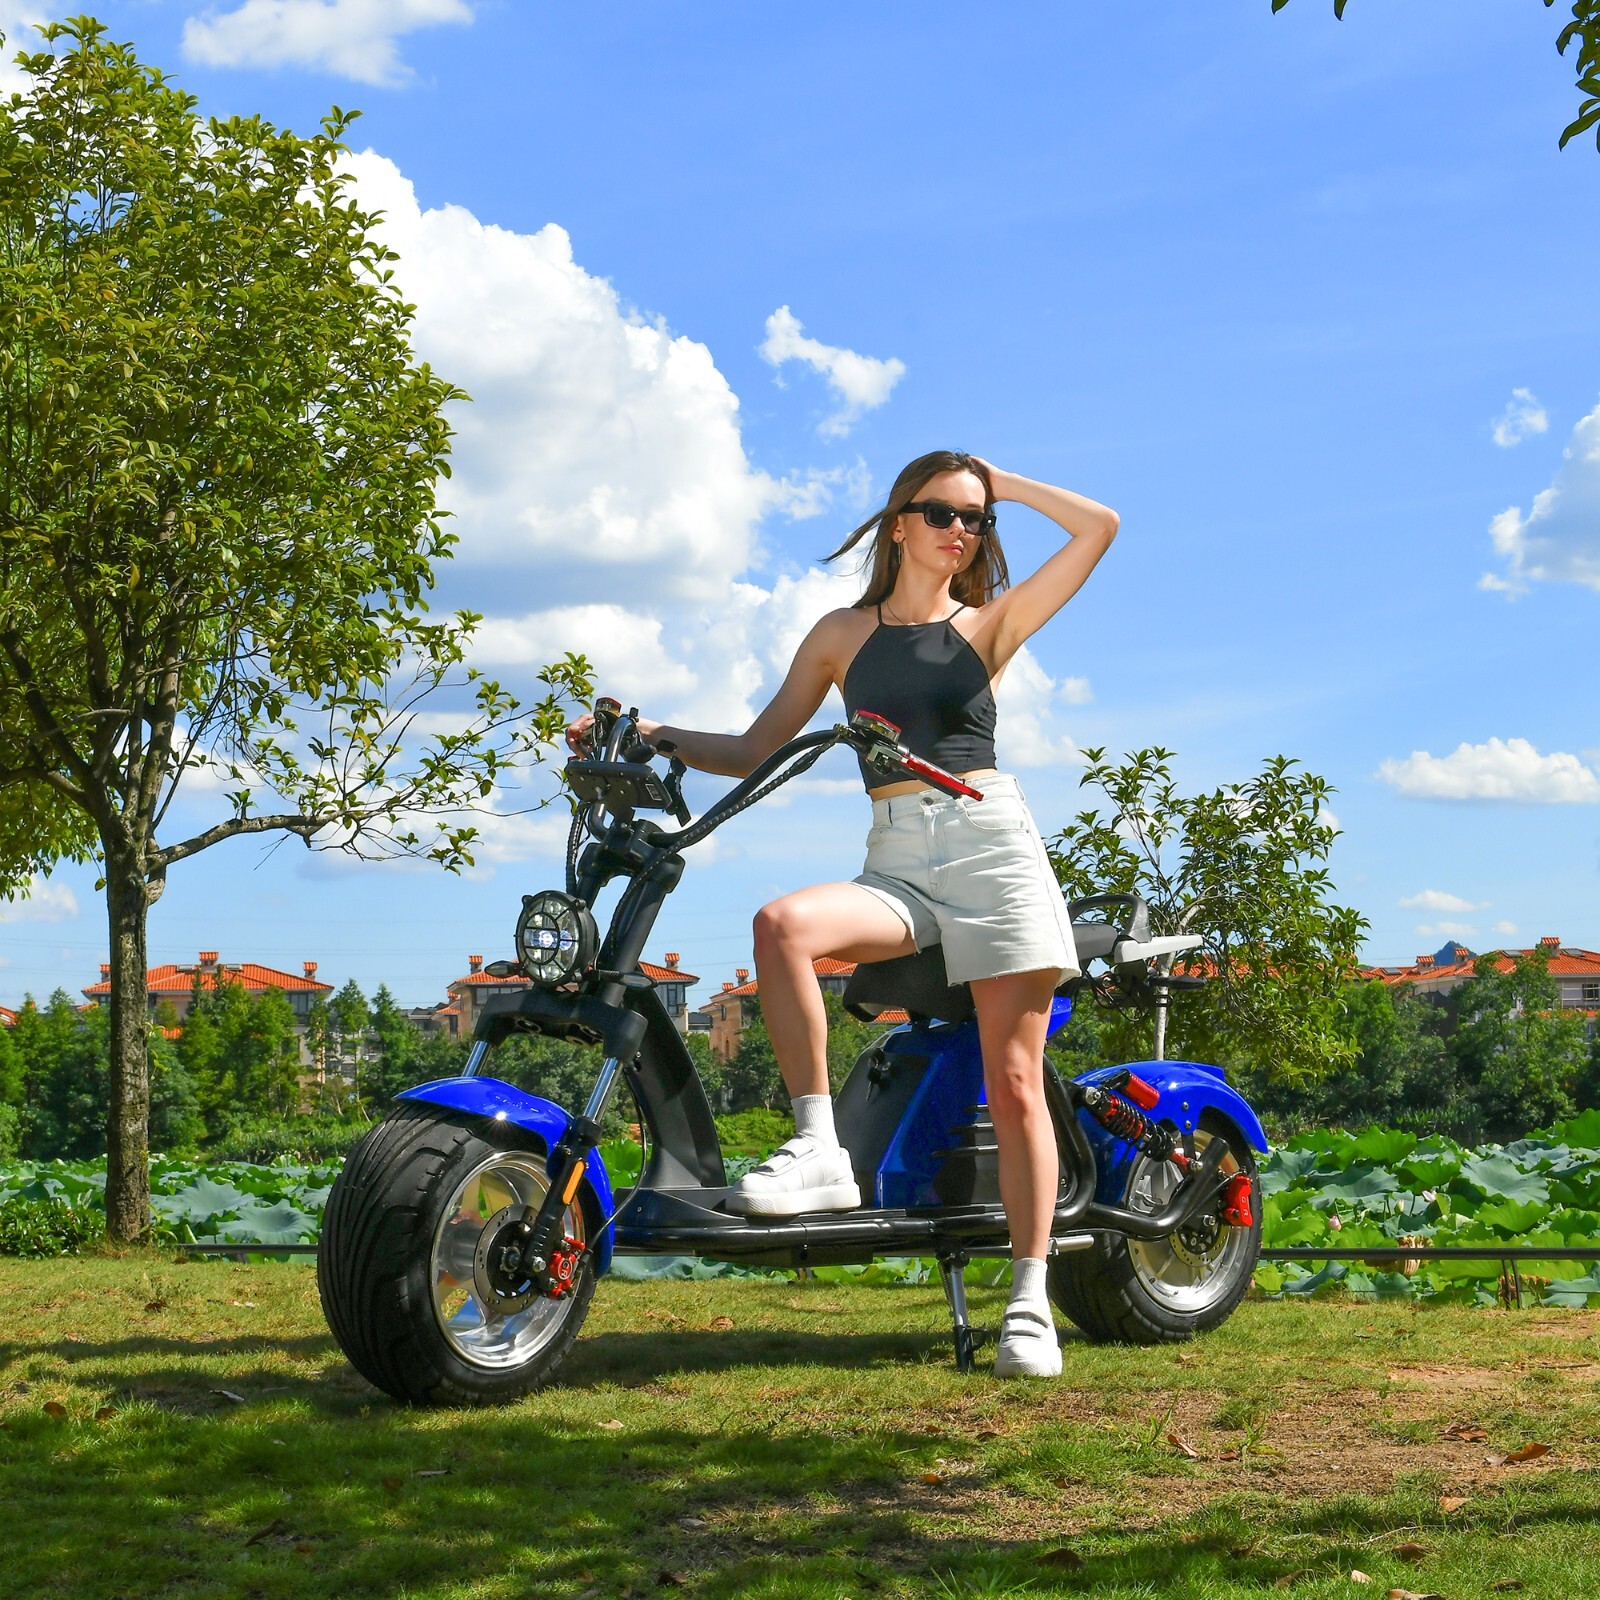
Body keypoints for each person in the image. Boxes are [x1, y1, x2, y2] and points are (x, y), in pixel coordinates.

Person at [565, 450, 1118, 1375]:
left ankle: (1029, 1302)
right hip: (896, 856)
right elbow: (752, 747)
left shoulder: (989, 625)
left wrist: (1001, 482)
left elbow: (1099, 527)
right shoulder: (840, 635)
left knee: (1015, 1078)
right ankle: (819, 1146)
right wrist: (652, 733)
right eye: (942, 512)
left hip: (992, 849)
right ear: (899, 522)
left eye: (976, 520)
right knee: (783, 925)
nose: (961, 531)